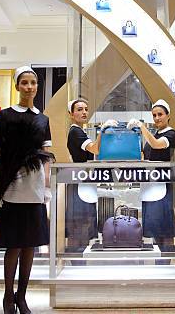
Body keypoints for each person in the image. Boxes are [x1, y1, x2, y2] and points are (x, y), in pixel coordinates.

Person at [0, 66, 53, 314]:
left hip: (35, 186)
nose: (29, 87)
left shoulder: (43, 118)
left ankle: (22, 296)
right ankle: (8, 295)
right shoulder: (6, 115)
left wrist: (46, 185)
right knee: (13, 244)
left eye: (33, 83)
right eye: (24, 82)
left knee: (30, 244)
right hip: (12, 184)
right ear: (17, 86)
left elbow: (47, 154)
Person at [65, 99, 117, 253]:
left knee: (83, 224)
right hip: (79, 184)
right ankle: (75, 260)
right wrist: (102, 130)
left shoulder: (80, 131)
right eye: (79, 109)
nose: (84, 112)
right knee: (78, 224)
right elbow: (95, 149)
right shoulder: (76, 132)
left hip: (84, 183)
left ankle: (78, 259)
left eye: (86, 109)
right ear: (71, 114)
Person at [128, 100, 175, 257]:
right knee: (155, 226)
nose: (157, 118)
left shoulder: (171, 133)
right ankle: (160, 259)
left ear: (168, 116)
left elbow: (156, 145)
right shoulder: (154, 133)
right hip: (150, 184)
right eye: (154, 115)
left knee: (165, 226)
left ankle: (167, 259)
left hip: (162, 184)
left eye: (160, 114)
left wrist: (142, 127)